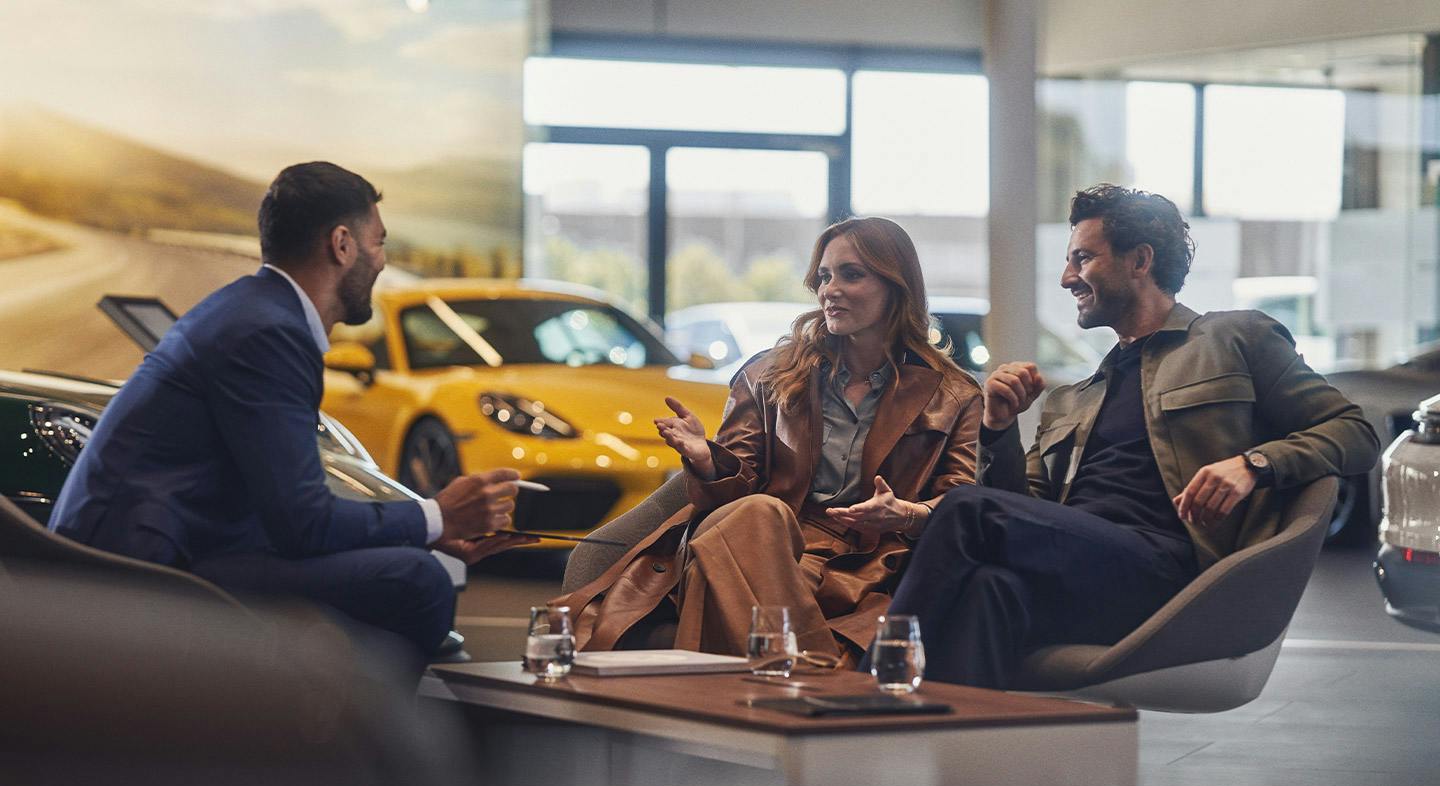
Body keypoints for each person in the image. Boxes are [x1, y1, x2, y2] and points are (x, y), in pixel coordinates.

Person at [889, 183, 1381, 689]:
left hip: (1171, 575)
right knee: (987, 587)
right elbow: (1020, 511)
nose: (1066, 278)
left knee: (965, 507)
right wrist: (997, 427)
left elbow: (1355, 432)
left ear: (1140, 260)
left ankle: (870, 684)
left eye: (1082, 258)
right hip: (1079, 572)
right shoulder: (1072, 399)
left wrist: (1253, 464)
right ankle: (949, 734)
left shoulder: (1235, 338)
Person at [49, 161, 531, 657]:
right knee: (418, 581)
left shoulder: (253, 310)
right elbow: (304, 524)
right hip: (147, 566)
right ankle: (350, 712)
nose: (382, 262)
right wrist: (437, 517)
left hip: (173, 543)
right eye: (379, 243)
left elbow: (284, 509)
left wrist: (422, 530)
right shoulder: (269, 333)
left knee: (406, 563)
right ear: (342, 245)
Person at [557, 216, 982, 664]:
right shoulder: (769, 374)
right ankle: (813, 672)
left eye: (851, 274)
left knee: (719, 572)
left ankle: (789, 671)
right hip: (761, 538)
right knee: (760, 513)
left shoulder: (953, 395)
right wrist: (708, 461)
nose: (830, 290)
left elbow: (963, 504)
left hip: (865, 567)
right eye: (824, 276)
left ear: (896, 285)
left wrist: (907, 514)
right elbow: (734, 496)